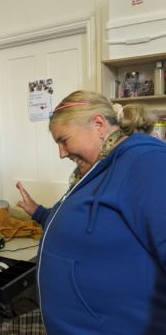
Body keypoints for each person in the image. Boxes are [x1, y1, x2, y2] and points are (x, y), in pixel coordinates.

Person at [16, 90, 166, 334]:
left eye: (63, 140)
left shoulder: (147, 162)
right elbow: (85, 228)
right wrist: (38, 213)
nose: (61, 153)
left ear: (98, 125)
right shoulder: (97, 169)